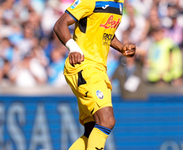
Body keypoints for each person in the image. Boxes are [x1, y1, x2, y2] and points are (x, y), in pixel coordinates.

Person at [53, 0, 136, 149]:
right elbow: (60, 24)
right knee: (106, 121)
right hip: (85, 67)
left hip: (98, 69)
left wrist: (122, 47)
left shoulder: (119, 4)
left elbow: (105, 33)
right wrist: (73, 48)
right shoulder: (91, 1)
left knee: (92, 130)